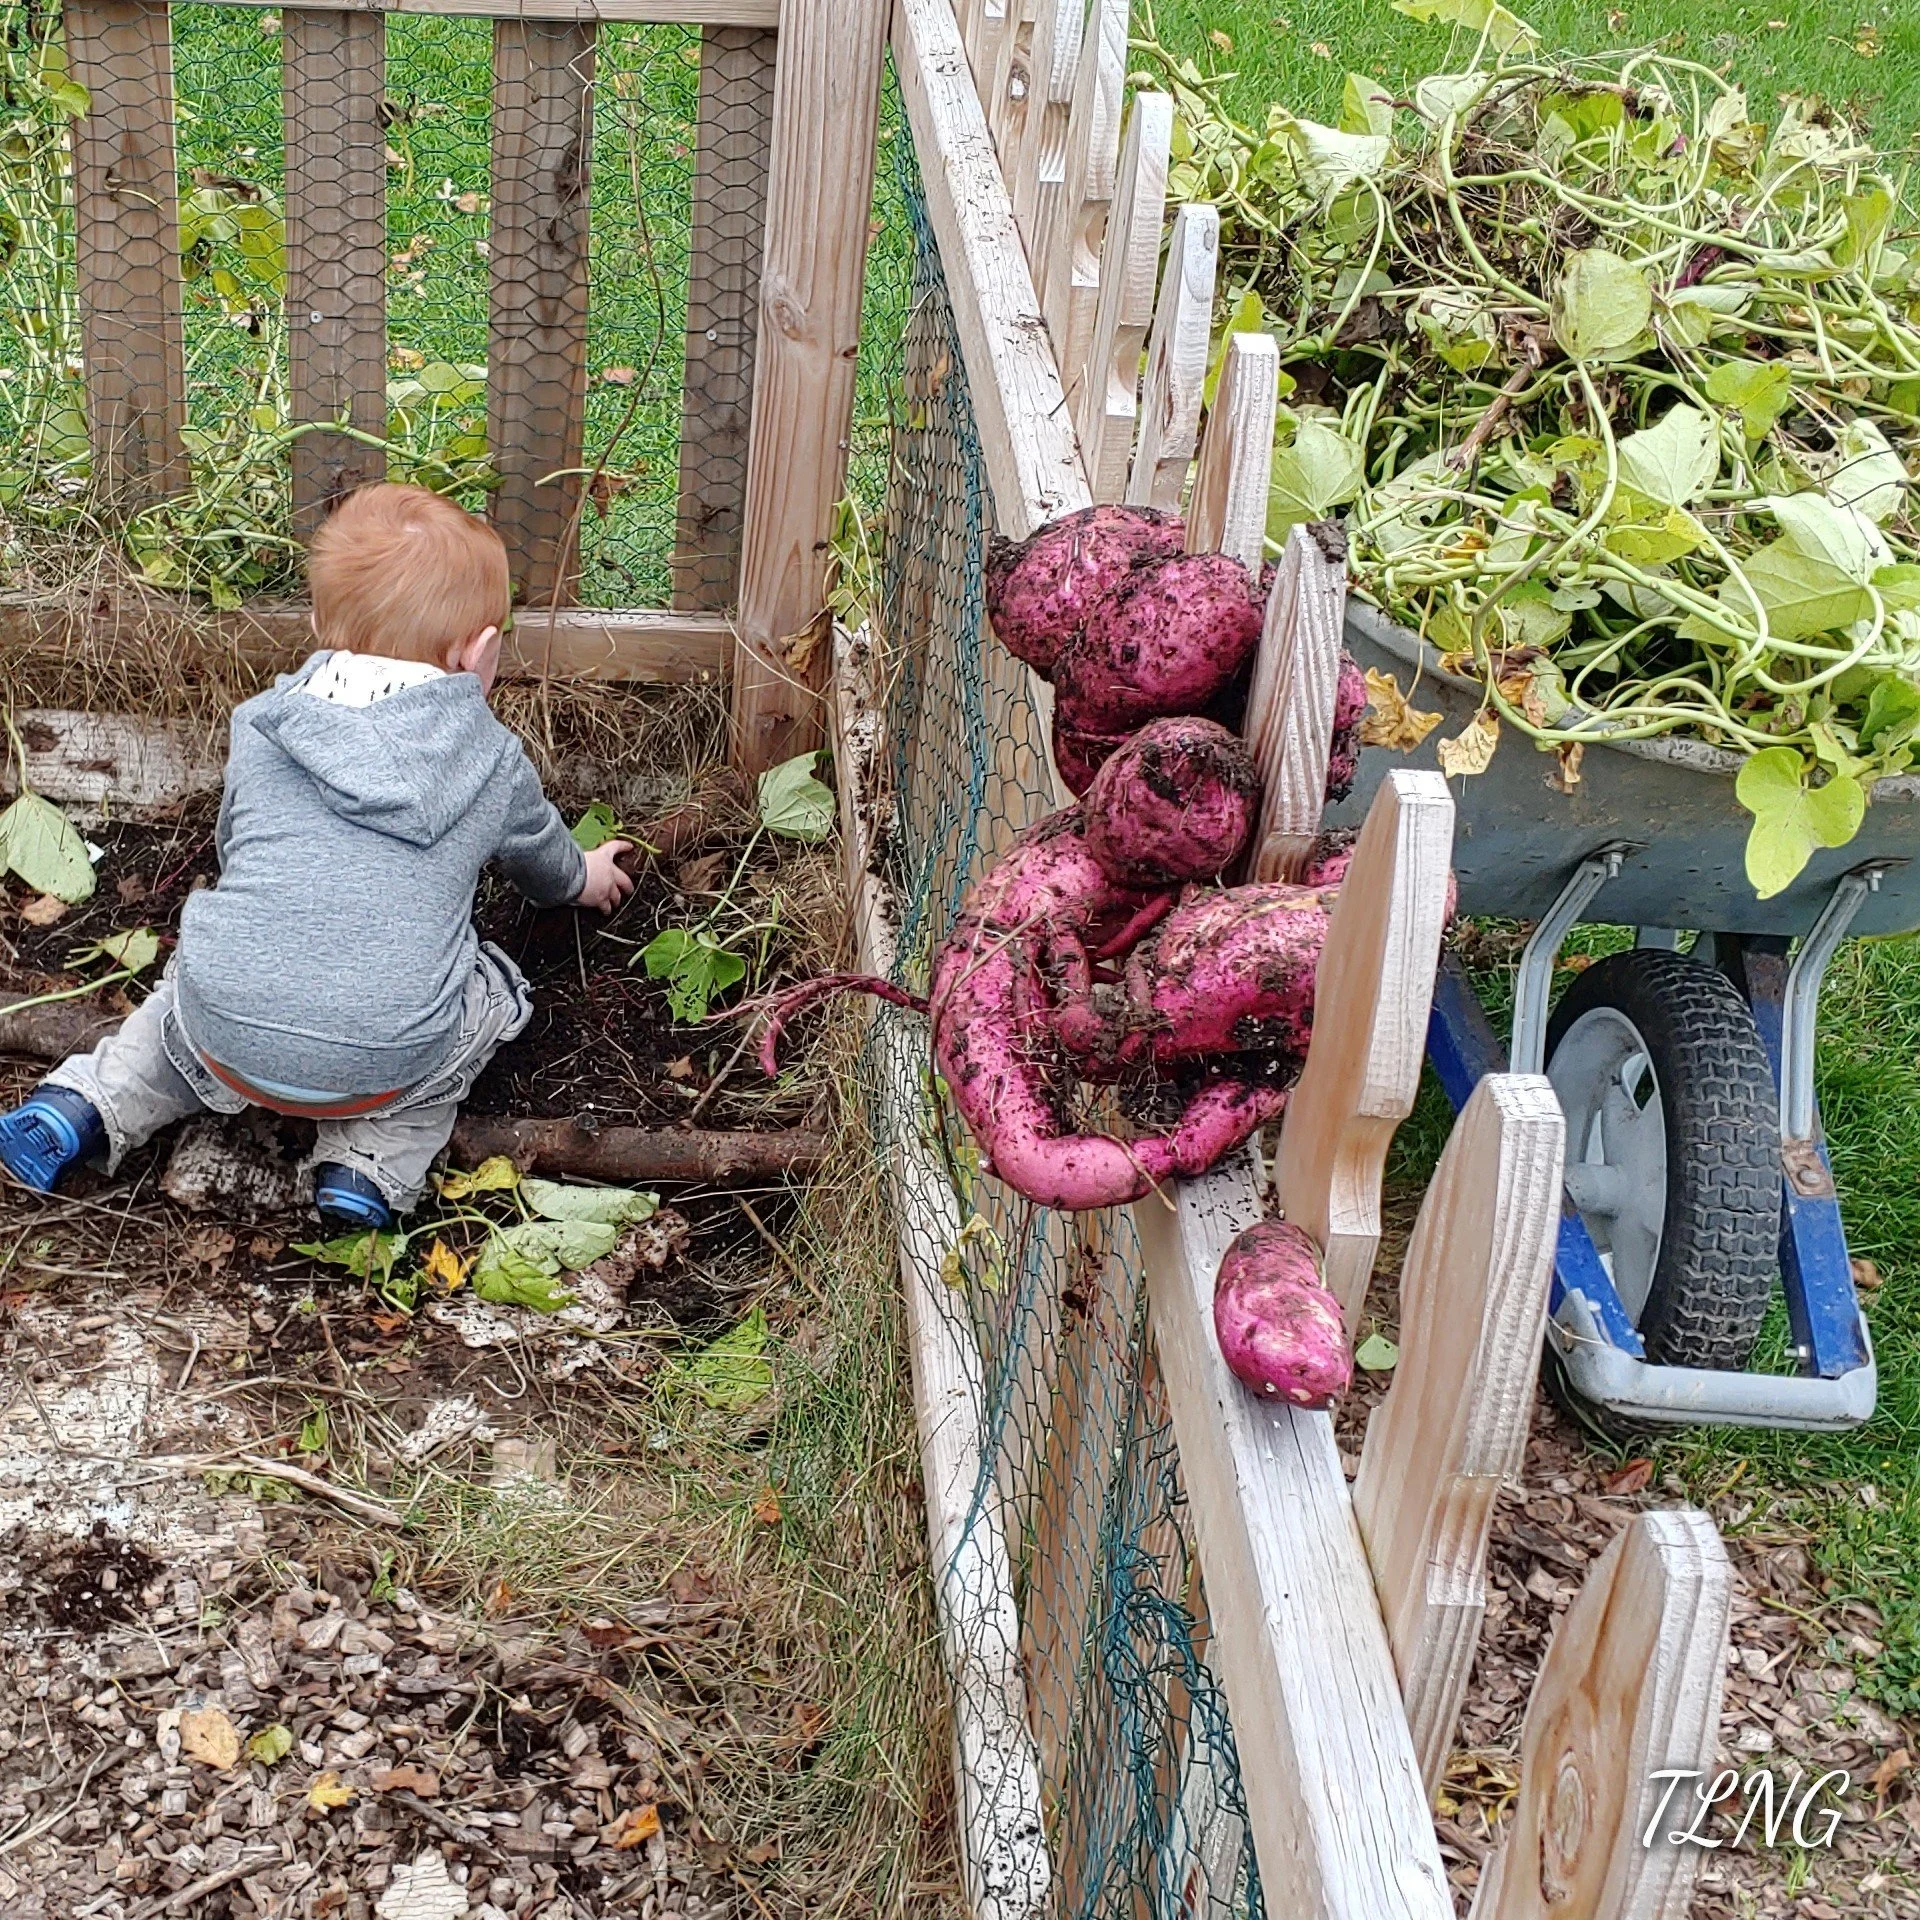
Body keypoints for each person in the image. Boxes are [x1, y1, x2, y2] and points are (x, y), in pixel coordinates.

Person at [0, 483, 632, 1230]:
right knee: (491, 988)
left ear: (316, 628)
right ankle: (366, 1170)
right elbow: (543, 866)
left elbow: (237, 849)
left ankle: (85, 1104)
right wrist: (584, 876)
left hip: (222, 1036)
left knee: (181, 1003)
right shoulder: (490, 763)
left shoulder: (264, 728)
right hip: (381, 1061)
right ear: (482, 651)